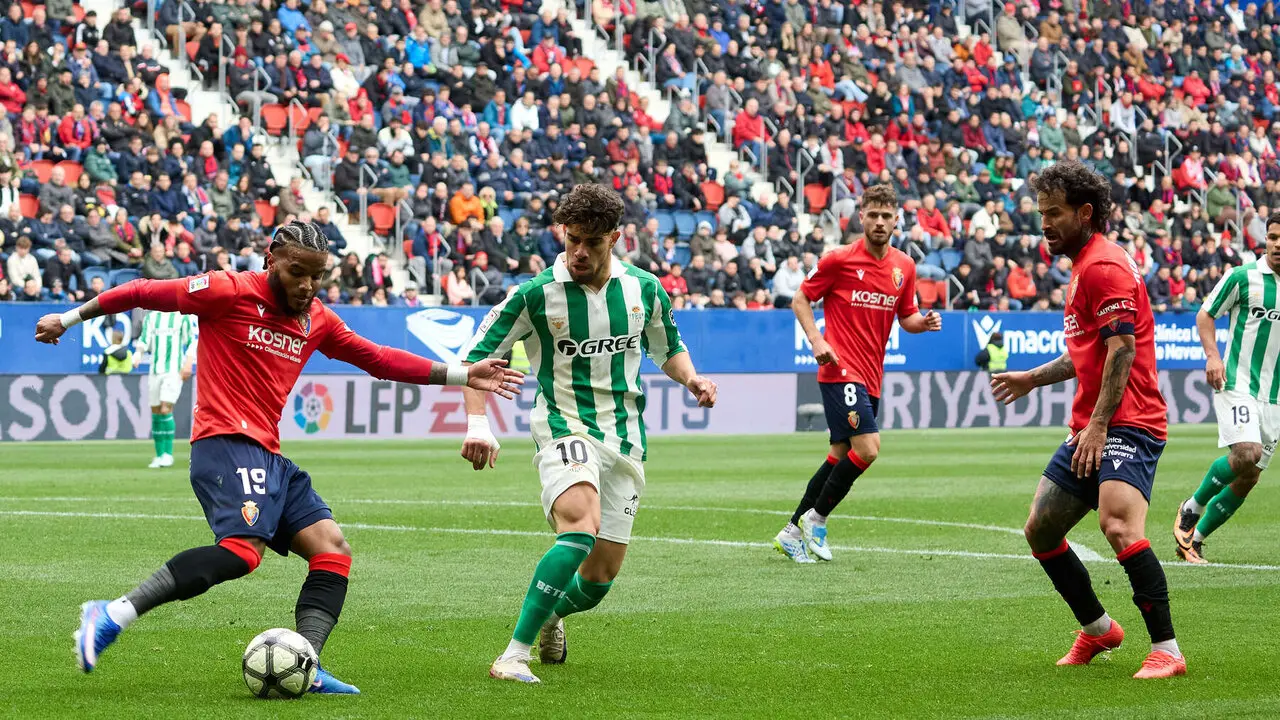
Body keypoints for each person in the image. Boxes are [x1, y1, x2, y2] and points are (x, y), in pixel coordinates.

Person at [35, 221, 523, 691]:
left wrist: (463, 374)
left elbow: (377, 358)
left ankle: (307, 663)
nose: (308, 285)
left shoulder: (318, 320)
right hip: (223, 442)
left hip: (269, 453)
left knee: (331, 549)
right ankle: (111, 613)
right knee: (243, 554)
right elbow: (141, 290)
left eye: (317, 276)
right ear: (272, 260)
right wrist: (68, 317)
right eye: (297, 272)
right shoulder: (227, 290)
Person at [457, 184, 717, 685]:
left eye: (591, 243)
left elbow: (669, 348)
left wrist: (693, 379)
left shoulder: (644, 288)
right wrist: (476, 423)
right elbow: (474, 361)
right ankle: (513, 654)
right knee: (579, 527)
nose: (578, 251)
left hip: (625, 437)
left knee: (599, 579)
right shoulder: (534, 295)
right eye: (571, 239)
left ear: (614, 238)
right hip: (563, 425)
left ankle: (554, 614)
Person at [990, 161, 1184, 680]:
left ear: (1085, 212)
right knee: (1042, 528)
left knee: (1118, 523)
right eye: (1041, 213)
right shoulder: (1084, 266)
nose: (1044, 223)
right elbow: (1089, 352)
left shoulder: (1103, 267)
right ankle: (1100, 630)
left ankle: (1167, 649)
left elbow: (1122, 349)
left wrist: (1099, 426)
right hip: (1094, 423)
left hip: (1130, 420)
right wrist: (1033, 378)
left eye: (1054, 213)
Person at [772, 183, 942, 563]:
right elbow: (801, 298)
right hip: (839, 369)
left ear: (897, 220)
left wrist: (923, 322)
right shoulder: (838, 260)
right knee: (868, 449)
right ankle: (817, 519)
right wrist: (817, 340)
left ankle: (791, 531)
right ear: (860, 217)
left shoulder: (904, 267)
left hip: (870, 375)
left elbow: (906, 317)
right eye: (873, 215)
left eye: (887, 216)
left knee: (840, 453)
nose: (880, 222)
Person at [1175, 212, 1280, 564]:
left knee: (1250, 476)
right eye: (1273, 237)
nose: (1277, 244)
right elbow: (1205, 314)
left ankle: (1194, 540)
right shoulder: (1243, 277)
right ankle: (1191, 508)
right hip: (1235, 382)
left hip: (1274, 395)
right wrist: (1212, 357)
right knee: (1247, 452)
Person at [136, 309, 198, 469]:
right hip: (155, 370)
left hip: (173, 370)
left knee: (165, 408)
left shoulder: (182, 317)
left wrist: (188, 363)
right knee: (156, 411)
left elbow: (191, 340)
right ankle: (159, 454)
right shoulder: (151, 317)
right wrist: (138, 354)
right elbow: (144, 339)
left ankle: (168, 454)